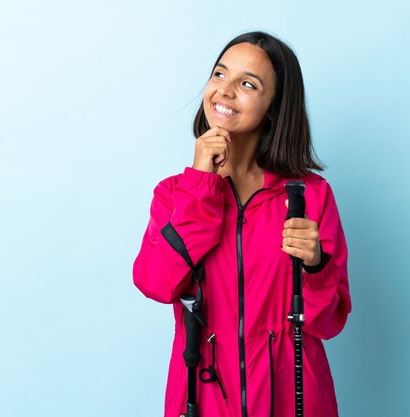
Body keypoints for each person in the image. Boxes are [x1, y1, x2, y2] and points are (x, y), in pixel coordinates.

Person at [133, 30, 352, 417]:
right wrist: (201, 184)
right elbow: (155, 282)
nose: (225, 91)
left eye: (248, 84)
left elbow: (329, 321)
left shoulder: (310, 196)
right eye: (219, 74)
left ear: (274, 107)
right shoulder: (174, 195)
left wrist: (315, 266)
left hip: (293, 396)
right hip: (204, 396)